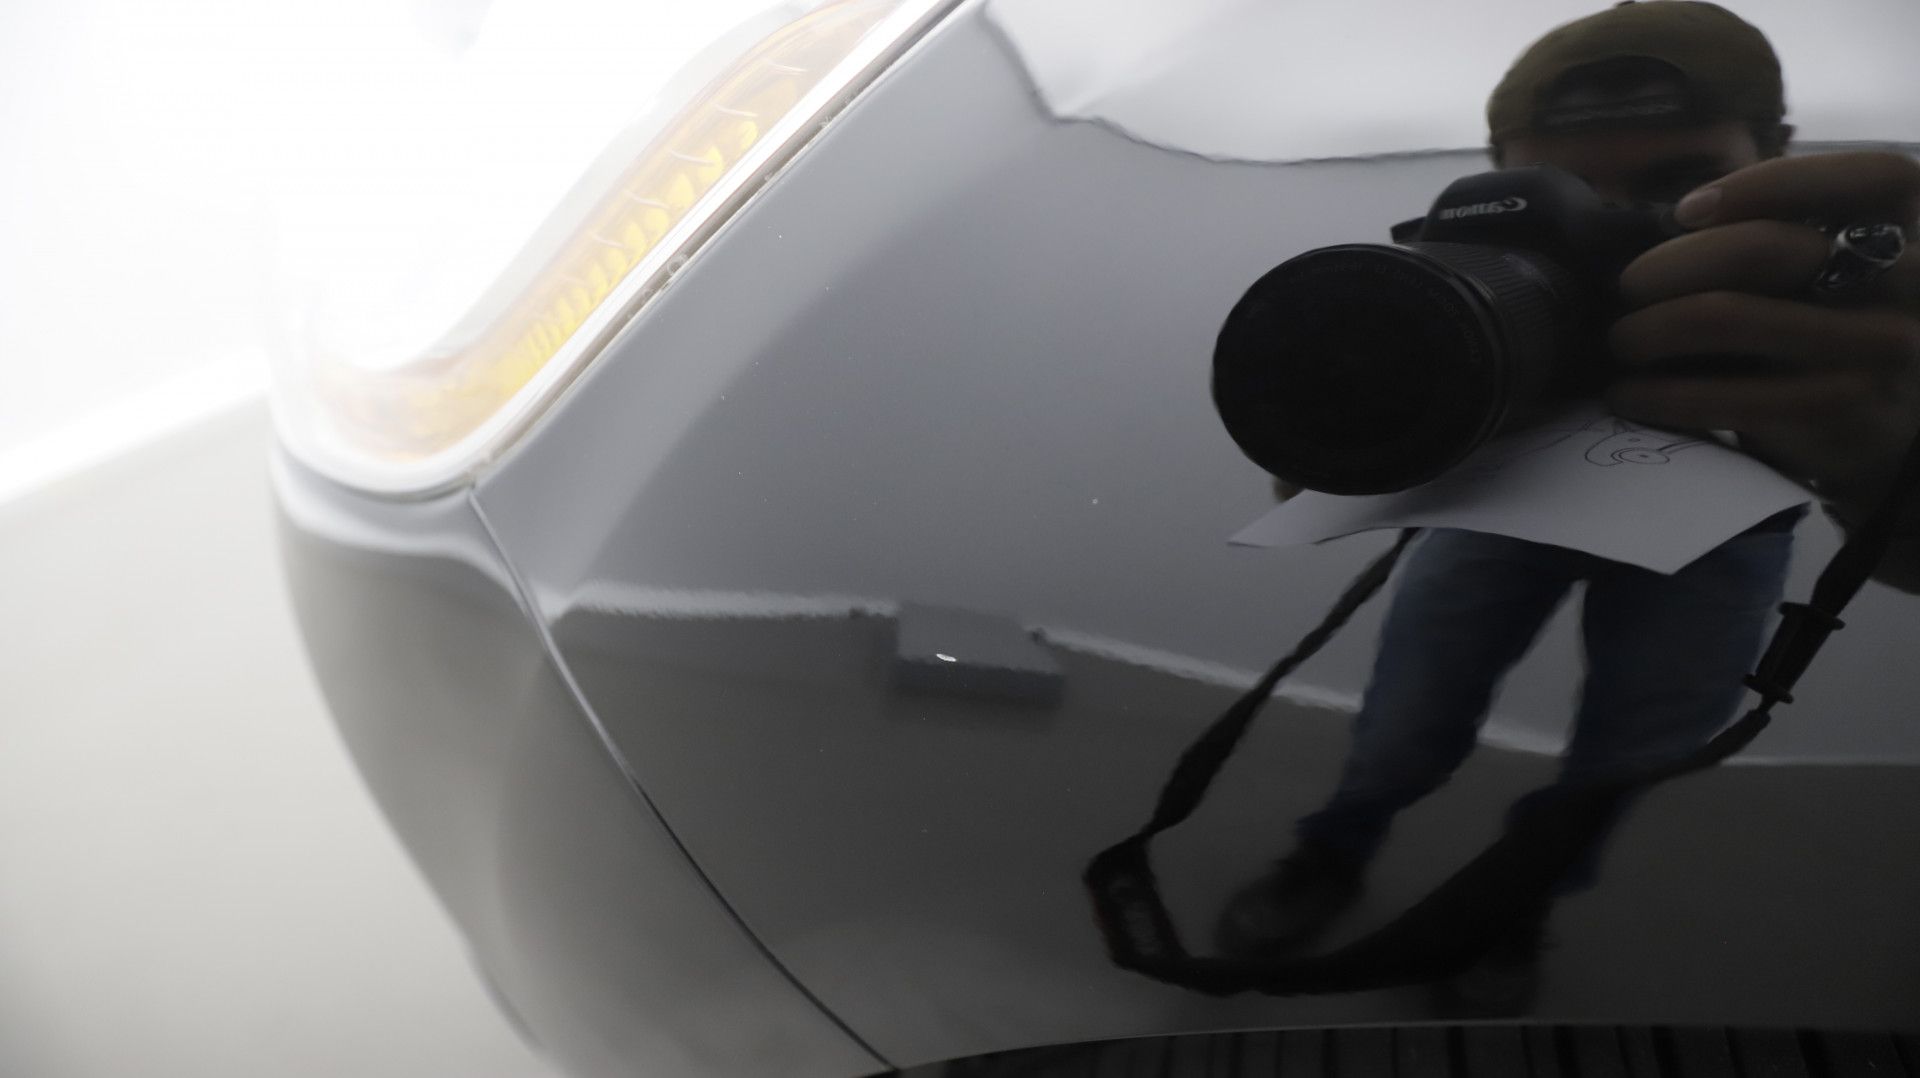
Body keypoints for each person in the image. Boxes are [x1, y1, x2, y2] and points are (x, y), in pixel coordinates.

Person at [1214, 0, 1920, 1006]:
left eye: (1676, 194)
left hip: (1731, 521)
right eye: (1559, 196)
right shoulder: (1459, 278)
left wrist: (1891, 450)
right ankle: (1328, 854)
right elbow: (1304, 480)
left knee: (1635, 753)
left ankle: (1516, 904)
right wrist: (1354, 395)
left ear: (1775, 161)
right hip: (1504, 493)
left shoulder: (1856, 292)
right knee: (1407, 720)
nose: (1605, 243)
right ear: (1497, 177)